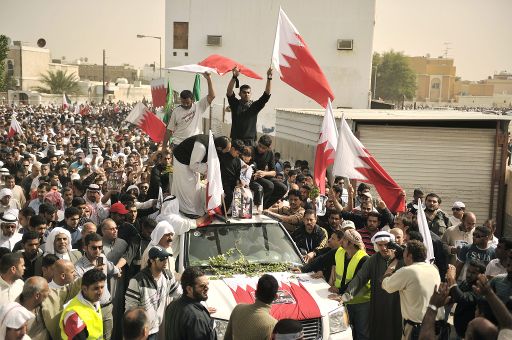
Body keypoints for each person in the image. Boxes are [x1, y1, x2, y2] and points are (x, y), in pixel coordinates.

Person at [341, 231, 403, 340]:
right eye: (380, 245)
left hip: (397, 304)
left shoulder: (402, 260)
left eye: (386, 244)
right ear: (376, 246)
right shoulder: (373, 260)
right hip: (378, 304)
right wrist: (346, 296)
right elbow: (360, 278)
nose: (383, 248)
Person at [382, 240, 441, 340]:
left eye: (405, 252)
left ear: (409, 255)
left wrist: (395, 260)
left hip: (416, 329)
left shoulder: (407, 271)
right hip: (435, 326)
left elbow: (385, 285)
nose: (403, 254)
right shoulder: (433, 268)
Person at [126, 245, 182, 339]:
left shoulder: (167, 276)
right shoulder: (137, 281)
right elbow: (130, 308)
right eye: (161, 259)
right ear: (151, 260)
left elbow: (179, 293)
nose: (165, 262)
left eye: (166, 258)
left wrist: (198, 306)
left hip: (155, 328)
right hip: (140, 330)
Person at [74, 232, 120, 340]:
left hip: (107, 307)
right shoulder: (78, 267)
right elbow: (79, 288)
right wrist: (93, 272)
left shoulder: (102, 258)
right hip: (91, 311)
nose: (98, 251)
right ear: (85, 248)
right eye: (94, 248)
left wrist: (117, 271)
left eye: (100, 247)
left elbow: (111, 267)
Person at [329, 229, 370, 340]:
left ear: (351, 243)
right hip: (345, 300)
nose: (341, 241)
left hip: (361, 303)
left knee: (362, 333)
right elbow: (322, 259)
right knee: (345, 332)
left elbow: (357, 281)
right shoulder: (340, 252)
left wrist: (339, 291)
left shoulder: (364, 258)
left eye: (344, 239)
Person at [163, 72, 215, 147]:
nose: (185, 105)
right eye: (183, 102)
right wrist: (164, 147)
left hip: (195, 143)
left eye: (187, 102)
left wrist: (208, 78)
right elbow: (169, 130)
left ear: (192, 100)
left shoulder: (199, 106)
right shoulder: (176, 111)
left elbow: (212, 96)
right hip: (179, 144)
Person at [163, 267, 217, 340]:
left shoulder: (172, 306)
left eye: (207, 285)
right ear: (189, 289)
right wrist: (201, 315)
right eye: (202, 286)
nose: (207, 288)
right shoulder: (197, 317)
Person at [227, 66, 273, 146]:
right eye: (244, 92)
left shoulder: (254, 106)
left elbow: (266, 95)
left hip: (250, 142)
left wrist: (269, 77)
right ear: (239, 94)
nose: (246, 94)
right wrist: (234, 77)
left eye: (248, 93)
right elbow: (229, 92)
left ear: (251, 94)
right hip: (236, 141)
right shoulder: (235, 104)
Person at [224, 274, 279, 340]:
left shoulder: (238, 308)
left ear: (255, 293)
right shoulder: (273, 325)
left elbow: (227, 337)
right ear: (276, 297)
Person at [60, 268, 106, 340]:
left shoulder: (93, 300)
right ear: (84, 289)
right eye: (96, 288)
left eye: (102, 287)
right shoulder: (74, 315)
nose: (100, 292)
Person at [445, 261, 486, 338]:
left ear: (481, 275)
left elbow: (462, 298)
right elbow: (454, 296)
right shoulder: (466, 283)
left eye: (473, 273)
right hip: (460, 331)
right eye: (468, 271)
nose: (469, 275)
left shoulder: (479, 289)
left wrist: (452, 279)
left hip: (469, 334)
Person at [251, 135, 287, 209]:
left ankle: (265, 206)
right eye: (260, 146)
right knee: (270, 185)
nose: (260, 149)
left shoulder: (270, 153)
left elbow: (273, 172)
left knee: (283, 188)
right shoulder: (252, 150)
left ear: (268, 148)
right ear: (258, 143)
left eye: (263, 148)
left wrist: (264, 173)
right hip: (252, 175)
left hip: (263, 175)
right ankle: (260, 206)